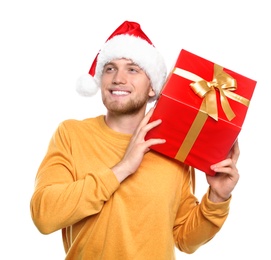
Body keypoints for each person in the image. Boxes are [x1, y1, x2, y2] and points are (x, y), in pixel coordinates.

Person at [30, 21, 240, 260]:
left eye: (132, 69)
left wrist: (217, 199)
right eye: (109, 68)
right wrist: (123, 168)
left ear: (152, 87)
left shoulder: (172, 145)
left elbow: (184, 239)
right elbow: (43, 216)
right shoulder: (71, 134)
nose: (118, 78)